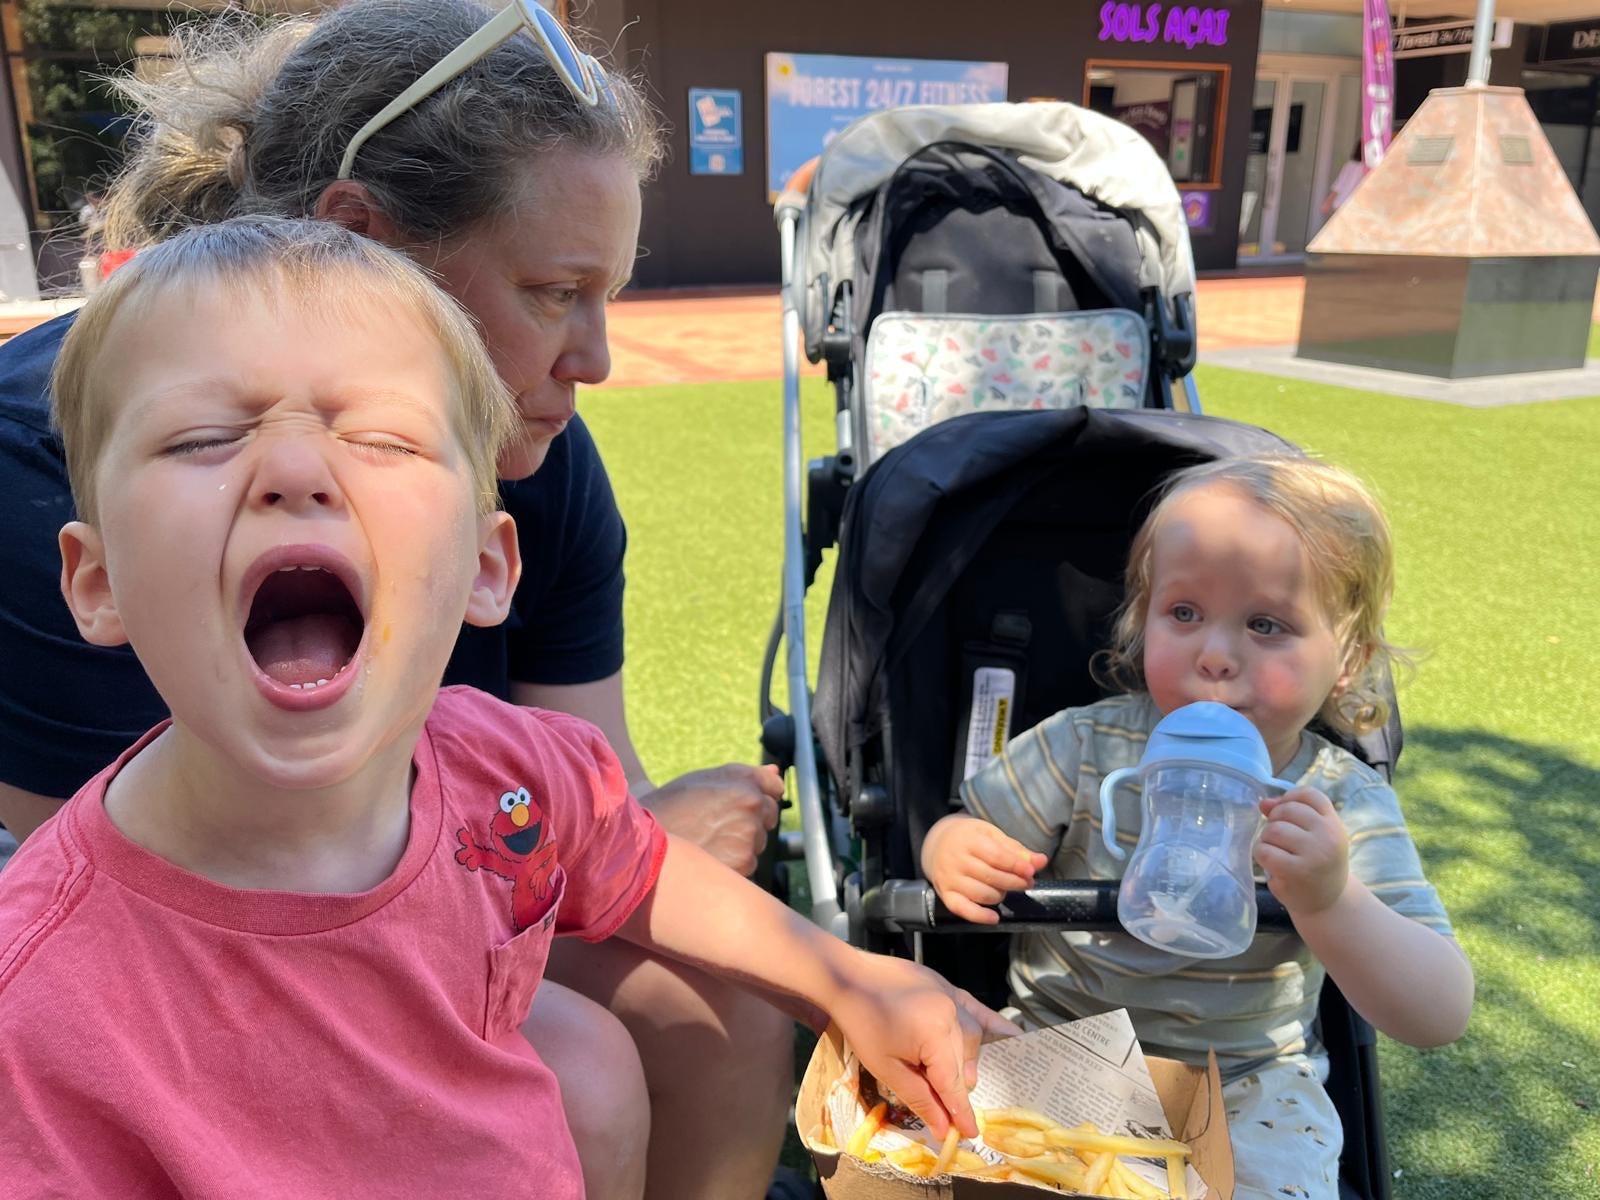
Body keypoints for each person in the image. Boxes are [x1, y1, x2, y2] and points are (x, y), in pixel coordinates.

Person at [0, 215, 1016, 1198]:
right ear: (97, 583)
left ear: (486, 568)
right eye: (204, 439)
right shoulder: (45, 992)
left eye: (382, 439)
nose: (297, 471)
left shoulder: (502, 774)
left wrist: (847, 981)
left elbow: (634, 866)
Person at [0, 3, 795, 1195]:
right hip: (200, 945)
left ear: (489, 556)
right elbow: (170, 914)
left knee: (723, 1003)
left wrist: (618, 833)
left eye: (609, 296)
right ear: (364, 238)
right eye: (552, 290)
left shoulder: (530, 450)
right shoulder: (51, 467)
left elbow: (589, 783)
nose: (595, 357)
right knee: (574, 1066)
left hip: (439, 868)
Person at [920, 454, 1474, 1200]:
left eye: (1266, 624)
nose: (1214, 656)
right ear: (1141, 620)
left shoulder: (1337, 800)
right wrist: (952, 848)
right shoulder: (1083, 746)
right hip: (1057, 1044)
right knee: (951, 1161)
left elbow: (1440, 1011)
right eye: (1184, 614)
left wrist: (1331, 901)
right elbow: (966, 829)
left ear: (1349, 659)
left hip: (1244, 1083)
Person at [1321, 141, 1366, 219]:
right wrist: (1328, 202)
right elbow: (1339, 185)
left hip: (1360, 210)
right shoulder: (1351, 165)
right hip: (1342, 206)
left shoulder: (1375, 169)